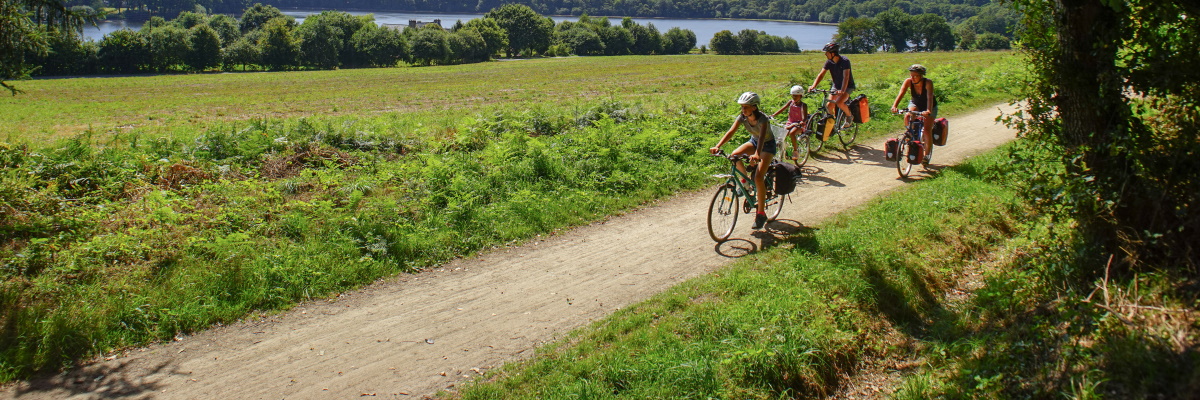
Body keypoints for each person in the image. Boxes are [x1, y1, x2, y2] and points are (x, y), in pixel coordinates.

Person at [710, 92, 776, 230]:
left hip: (767, 146)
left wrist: (757, 155)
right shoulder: (742, 117)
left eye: (746, 107)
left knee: (758, 177)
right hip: (754, 141)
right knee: (735, 155)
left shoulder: (762, 119)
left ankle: (761, 214)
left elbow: (763, 138)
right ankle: (745, 182)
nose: (743, 110)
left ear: (754, 107)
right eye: (742, 107)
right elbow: (731, 131)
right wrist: (718, 145)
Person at [889, 64, 937, 163]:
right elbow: (901, 94)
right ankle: (911, 135)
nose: (913, 78)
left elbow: (929, 98)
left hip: (929, 105)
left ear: (921, 75)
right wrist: (894, 106)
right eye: (911, 75)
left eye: (915, 76)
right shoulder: (908, 81)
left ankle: (926, 155)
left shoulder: (928, 82)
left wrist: (928, 111)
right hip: (916, 102)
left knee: (927, 131)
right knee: (907, 115)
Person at [807, 43, 856, 130]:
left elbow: (846, 77)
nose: (825, 54)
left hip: (847, 86)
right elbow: (821, 75)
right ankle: (832, 125)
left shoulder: (845, 61)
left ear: (833, 53)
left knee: (839, 102)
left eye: (827, 52)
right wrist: (813, 86)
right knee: (829, 105)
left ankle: (849, 117)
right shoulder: (829, 62)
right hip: (836, 85)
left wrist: (842, 90)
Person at [772, 85, 809, 162]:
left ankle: (795, 151)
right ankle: (785, 148)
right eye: (793, 96)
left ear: (801, 95)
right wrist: (773, 115)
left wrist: (802, 122)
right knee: (782, 133)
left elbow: (805, 117)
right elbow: (782, 109)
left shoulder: (803, 105)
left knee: (792, 133)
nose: (794, 97)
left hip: (799, 124)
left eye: (796, 96)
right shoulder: (790, 103)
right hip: (790, 123)